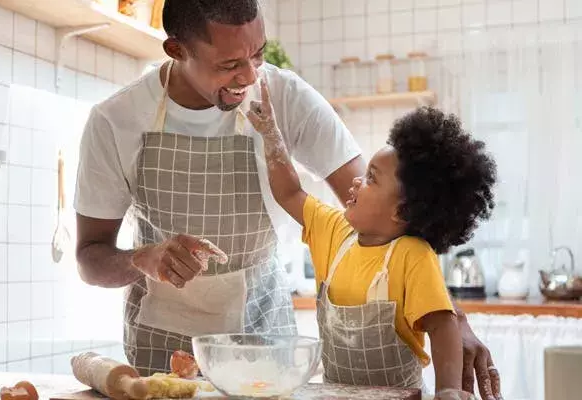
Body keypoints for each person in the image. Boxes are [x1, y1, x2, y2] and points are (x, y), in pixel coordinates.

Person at [73, 0, 502, 398]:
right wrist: (142, 259)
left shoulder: (286, 98)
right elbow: (90, 258)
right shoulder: (116, 121)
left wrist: (449, 319)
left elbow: (394, 220)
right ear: (177, 49)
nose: (249, 76)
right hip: (159, 356)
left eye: (257, 55)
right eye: (229, 64)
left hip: (267, 354)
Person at [247, 80, 497, 396]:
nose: (355, 182)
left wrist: (446, 390)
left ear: (401, 210)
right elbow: (289, 192)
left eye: (370, 179)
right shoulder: (334, 230)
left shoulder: (412, 255)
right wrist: (271, 135)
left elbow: (442, 323)